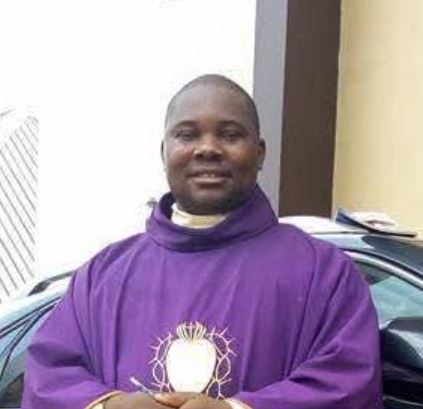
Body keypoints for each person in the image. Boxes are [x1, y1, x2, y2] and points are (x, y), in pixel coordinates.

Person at [22, 75, 382, 409]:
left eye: (230, 135)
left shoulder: (325, 273)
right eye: (187, 135)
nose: (207, 148)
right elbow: (47, 378)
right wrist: (108, 405)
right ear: (164, 152)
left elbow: (348, 386)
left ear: (260, 153)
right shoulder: (102, 276)